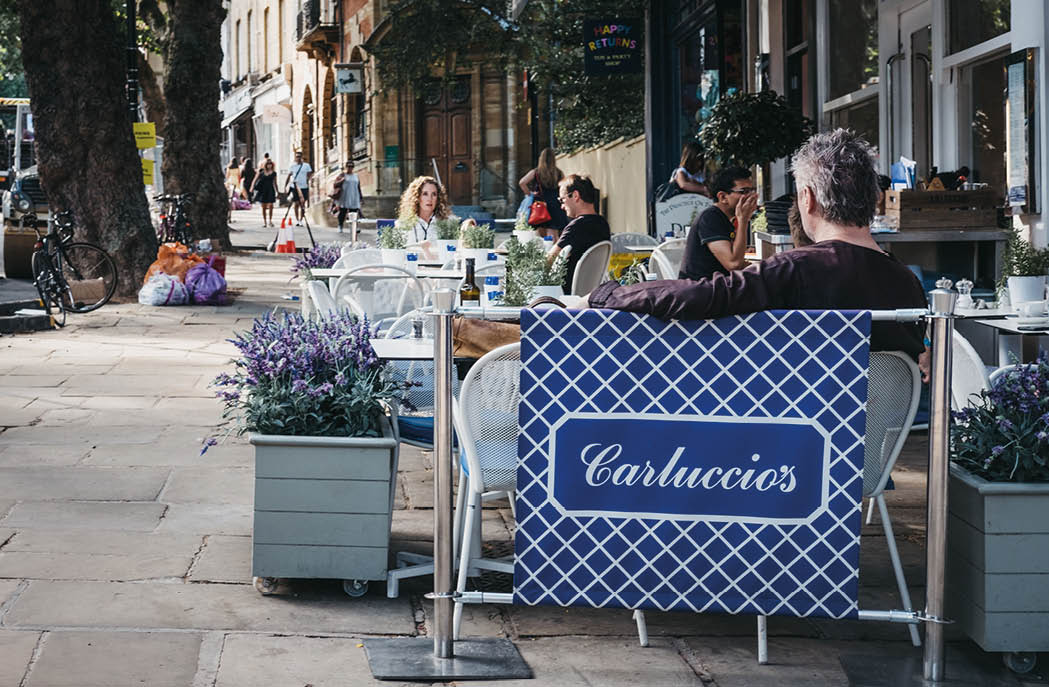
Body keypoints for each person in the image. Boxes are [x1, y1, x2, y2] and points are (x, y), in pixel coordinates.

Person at [588, 128, 929, 365]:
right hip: (877, 458)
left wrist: (606, 295)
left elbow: (700, 296)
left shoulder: (792, 271)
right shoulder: (909, 285)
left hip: (796, 454)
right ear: (873, 199)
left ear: (806, 199)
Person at [678, 166, 759, 280]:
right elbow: (734, 264)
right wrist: (743, 220)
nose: (751, 196)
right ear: (723, 197)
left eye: (752, 190)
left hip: (719, 288)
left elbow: (737, 259)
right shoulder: (710, 218)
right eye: (744, 191)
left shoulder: (727, 218)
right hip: (702, 291)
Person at [547, 174, 610, 293]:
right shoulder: (603, 224)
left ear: (575, 196)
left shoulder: (576, 227)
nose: (561, 206)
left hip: (564, 293)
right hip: (592, 291)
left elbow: (549, 260)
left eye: (562, 200)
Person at [518, 147, 569, 241]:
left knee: (541, 233)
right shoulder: (559, 173)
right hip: (555, 204)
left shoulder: (536, 172)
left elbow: (522, 182)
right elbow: (563, 186)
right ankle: (553, 253)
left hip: (541, 205)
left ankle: (548, 253)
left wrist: (530, 194)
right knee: (553, 233)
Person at [398, 175, 451, 246]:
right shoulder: (403, 223)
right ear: (417, 197)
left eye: (434, 194)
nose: (430, 199)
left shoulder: (447, 222)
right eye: (425, 194)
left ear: (438, 198)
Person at [331, 161, 362, 234]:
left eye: (351, 166)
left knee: (354, 212)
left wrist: (360, 197)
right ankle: (340, 226)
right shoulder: (342, 175)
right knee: (342, 212)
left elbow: (358, 187)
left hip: (354, 196)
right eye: (348, 166)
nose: (350, 168)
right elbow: (335, 185)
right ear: (346, 167)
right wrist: (341, 180)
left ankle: (354, 227)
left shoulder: (356, 176)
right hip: (344, 196)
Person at [284, 151, 313, 225]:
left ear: (302, 157)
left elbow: (309, 175)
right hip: (295, 187)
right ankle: (297, 219)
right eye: (297, 156)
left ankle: (301, 219)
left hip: (304, 186)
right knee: (296, 203)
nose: (298, 158)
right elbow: (289, 176)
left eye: (299, 156)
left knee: (302, 204)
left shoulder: (306, 166)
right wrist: (286, 186)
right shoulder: (292, 166)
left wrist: (311, 182)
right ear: (295, 157)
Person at [250, 158, 279, 227]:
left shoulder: (274, 173)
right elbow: (255, 180)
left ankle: (270, 221)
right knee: (264, 206)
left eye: (270, 164)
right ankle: (265, 222)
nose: (269, 166)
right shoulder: (261, 172)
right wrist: (252, 187)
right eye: (268, 164)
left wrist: (277, 191)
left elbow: (275, 183)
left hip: (270, 190)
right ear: (265, 165)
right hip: (262, 190)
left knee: (271, 205)